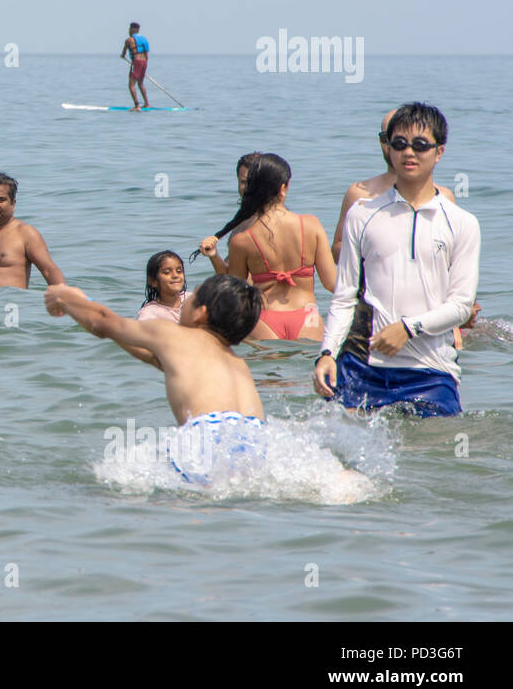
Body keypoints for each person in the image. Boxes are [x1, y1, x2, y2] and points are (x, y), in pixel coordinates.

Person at [315, 103, 480, 416]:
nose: (409, 153)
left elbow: (461, 305)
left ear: (439, 151)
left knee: (433, 455)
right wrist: (325, 353)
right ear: (388, 149)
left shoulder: (461, 222)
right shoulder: (362, 214)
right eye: (400, 144)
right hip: (362, 366)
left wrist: (408, 328)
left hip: (431, 371)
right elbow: (344, 297)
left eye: (420, 145)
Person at [44, 275, 266, 484]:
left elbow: (103, 323)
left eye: (191, 297)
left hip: (205, 436)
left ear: (201, 313)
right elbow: (151, 356)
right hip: (257, 442)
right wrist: (84, 302)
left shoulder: (173, 334)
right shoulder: (238, 363)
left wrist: (65, 297)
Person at [197, 154, 336, 341]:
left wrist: (214, 257)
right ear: (283, 188)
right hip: (306, 316)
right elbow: (331, 283)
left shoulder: (242, 239)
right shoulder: (311, 225)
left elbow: (234, 291)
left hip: (264, 319)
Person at [331, 109, 456, 261]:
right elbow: (337, 249)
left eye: (417, 143)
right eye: (391, 140)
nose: (404, 149)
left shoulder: (442, 197)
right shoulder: (358, 195)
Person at [197, 152, 262, 276]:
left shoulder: (269, 221)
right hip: (237, 290)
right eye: (243, 182)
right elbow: (231, 274)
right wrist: (214, 255)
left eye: (253, 182)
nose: (248, 188)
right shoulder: (242, 220)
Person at [137, 251, 186, 322]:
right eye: (167, 272)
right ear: (153, 281)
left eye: (179, 271)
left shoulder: (192, 299)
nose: (175, 275)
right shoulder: (149, 313)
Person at [120, 21, 150, 111]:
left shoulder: (129, 40)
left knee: (131, 85)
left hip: (136, 62)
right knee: (140, 83)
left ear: (133, 30)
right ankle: (147, 104)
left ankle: (137, 106)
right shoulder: (144, 39)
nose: (129, 31)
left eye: (129, 29)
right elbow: (146, 54)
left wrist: (122, 56)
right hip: (144, 62)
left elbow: (123, 53)